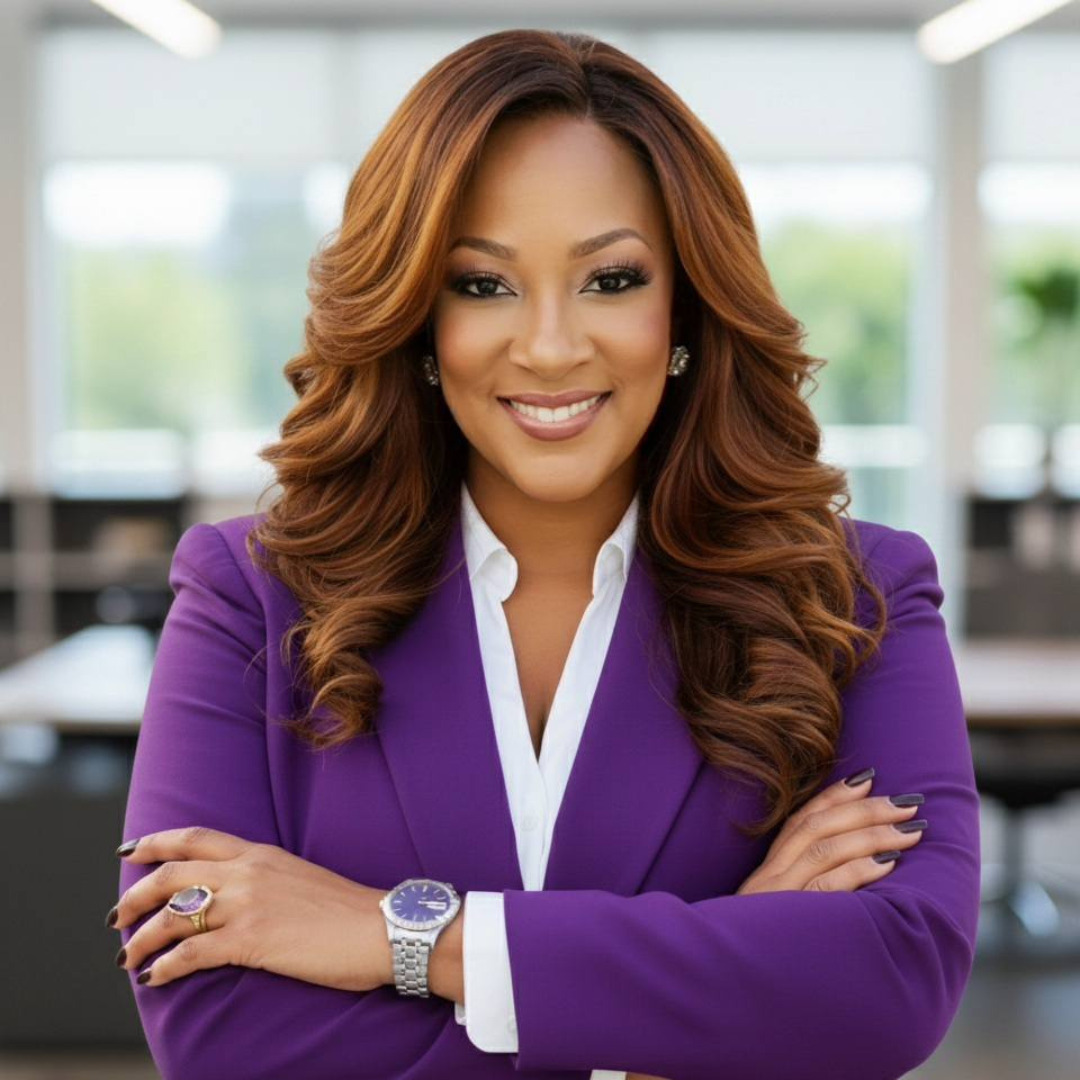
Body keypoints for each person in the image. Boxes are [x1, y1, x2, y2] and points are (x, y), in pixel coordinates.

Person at [108, 27, 981, 1080]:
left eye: (611, 279)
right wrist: (687, 1019)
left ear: (685, 304)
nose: (554, 346)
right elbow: (217, 1040)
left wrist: (399, 935)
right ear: (417, 318)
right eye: (484, 285)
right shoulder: (250, 596)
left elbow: (893, 979)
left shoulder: (856, 598)